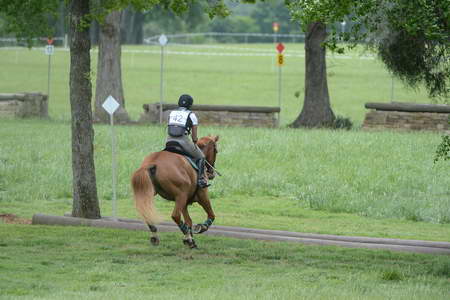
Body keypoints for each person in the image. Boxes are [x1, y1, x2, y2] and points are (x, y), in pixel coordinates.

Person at [166, 94, 209, 188]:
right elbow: (194, 137)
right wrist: (195, 140)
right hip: (182, 140)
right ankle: (201, 179)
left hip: (169, 140)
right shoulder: (191, 115)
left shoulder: (172, 113)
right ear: (190, 104)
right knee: (201, 156)